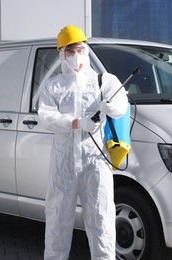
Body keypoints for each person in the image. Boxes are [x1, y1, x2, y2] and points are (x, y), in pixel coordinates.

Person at [38, 25, 128, 260]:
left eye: (79, 49)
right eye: (69, 51)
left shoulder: (103, 80)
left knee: (101, 220)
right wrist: (77, 122)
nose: (75, 55)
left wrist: (112, 107)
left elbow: (121, 102)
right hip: (63, 163)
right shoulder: (54, 85)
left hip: (96, 161)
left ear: (86, 50)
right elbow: (47, 117)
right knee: (57, 221)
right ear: (61, 54)